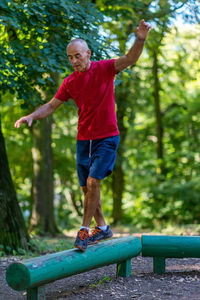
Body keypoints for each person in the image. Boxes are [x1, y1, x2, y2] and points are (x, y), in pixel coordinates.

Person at [15, 19, 151, 251]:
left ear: (88, 53)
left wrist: (139, 39)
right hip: (83, 140)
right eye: (70, 57)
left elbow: (130, 59)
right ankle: (103, 228)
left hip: (107, 137)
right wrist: (32, 116)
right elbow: (50, 105)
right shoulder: (69, 83)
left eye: (77, 55)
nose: (74, 61)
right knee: (88, 190)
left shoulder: (106, 69)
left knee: (93, 181)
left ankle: (84, 231)